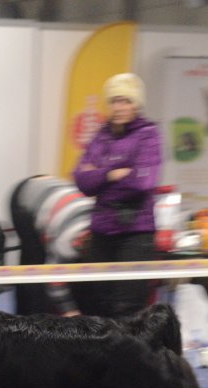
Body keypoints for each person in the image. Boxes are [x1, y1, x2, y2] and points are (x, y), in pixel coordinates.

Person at [72, 72, 162, 320]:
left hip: (136, 234)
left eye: (126, 101)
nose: (119, 107)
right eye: (114, 101)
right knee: (99, 304)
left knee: (129, 308)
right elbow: (81, 180)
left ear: (136, 104)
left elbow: (142, 182)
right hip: (102, 233)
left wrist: (99, 175)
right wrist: (113, 174)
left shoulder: (148, 134)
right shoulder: (100, 136)